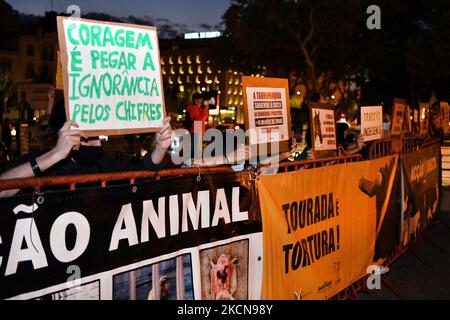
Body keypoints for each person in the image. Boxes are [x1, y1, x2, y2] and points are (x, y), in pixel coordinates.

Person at [0, 100, 173, 198]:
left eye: (98, 136)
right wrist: (54, 155)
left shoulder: (102, 163)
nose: (97, 144)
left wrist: (159, 149)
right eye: (88, 137)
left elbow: (140, 177)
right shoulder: (43, 161)